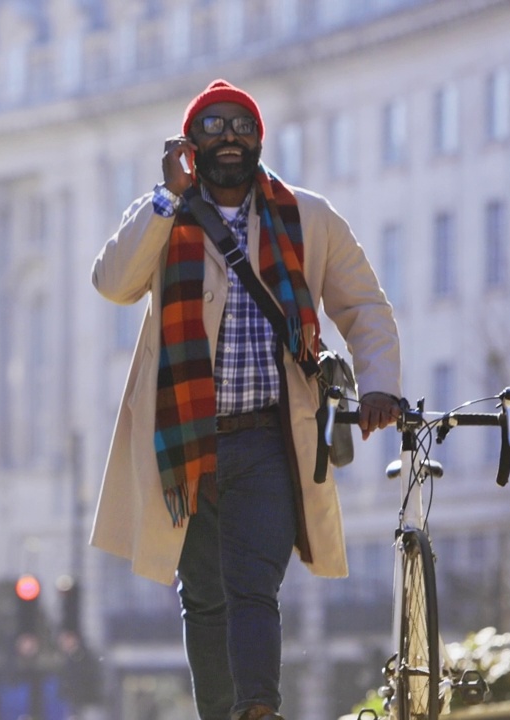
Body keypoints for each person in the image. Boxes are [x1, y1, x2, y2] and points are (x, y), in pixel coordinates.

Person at [89, 79, 403, 720]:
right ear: (188, 146)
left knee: (254, 586)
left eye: (241, 126)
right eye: (213, 127)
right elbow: (113, 283)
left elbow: (363, 306)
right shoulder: (161, 215)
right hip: (188, 439)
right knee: (204, 596)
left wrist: (379, 385)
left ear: (259, 139)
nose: (228, 137)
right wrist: (164, 199)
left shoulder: (307, 217)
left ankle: (259, 709)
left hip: (270, 437)